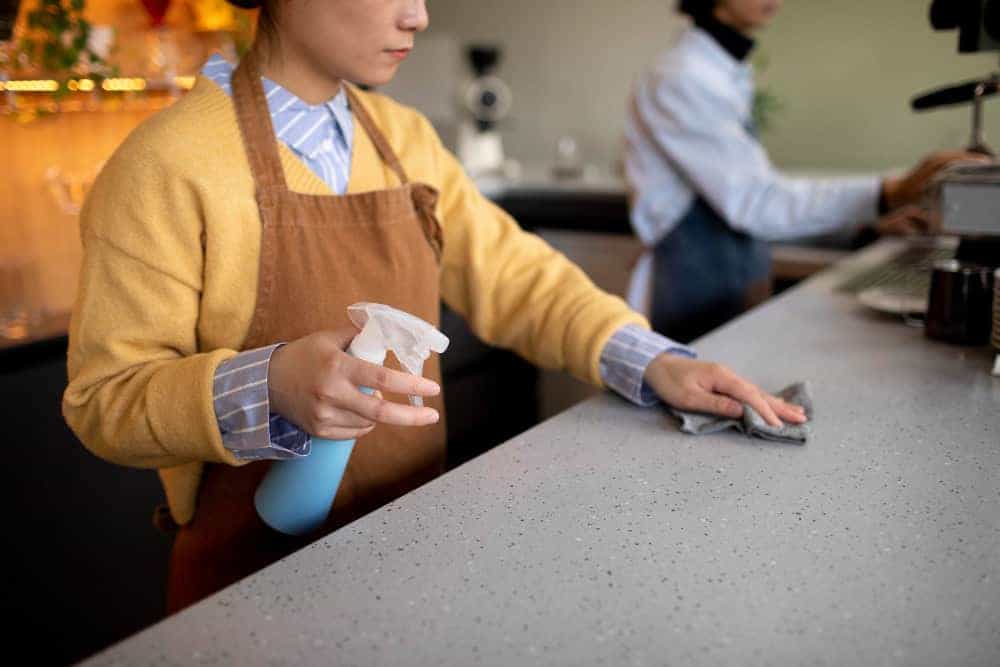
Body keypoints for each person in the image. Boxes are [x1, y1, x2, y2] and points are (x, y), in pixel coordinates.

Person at [62, 0, 806, 614]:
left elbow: (518, 277)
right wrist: (271, 383)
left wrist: (653, 360)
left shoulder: (405, 140)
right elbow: (104, 400)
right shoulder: (165, 164)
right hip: (249, 591)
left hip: (407, 559)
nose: (418, 15)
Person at [625, 0, 985, 342]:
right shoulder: (682, 76)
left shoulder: (725, 68)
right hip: (690, 287)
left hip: (729, 278)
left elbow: (755, 200)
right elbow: (756, 204)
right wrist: (887, 191)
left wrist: (866, 226)